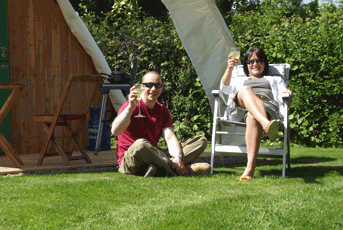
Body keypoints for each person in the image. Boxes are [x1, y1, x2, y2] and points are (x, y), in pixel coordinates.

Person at [111, 70, 210, 177]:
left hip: (154, 155)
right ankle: (185, 171)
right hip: (131, 159)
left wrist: (177, 157)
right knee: (140, 145)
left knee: (200, 141)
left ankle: (159, 168)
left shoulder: (162, 110)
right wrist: (130, 108)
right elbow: (115, 131)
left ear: (161, 88)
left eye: (157, 85)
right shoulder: (130, 106)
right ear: (141, 87)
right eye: (149, 85)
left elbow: (170, 138)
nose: (153, 89)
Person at [220, 47, 293, 181]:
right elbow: (224, 89)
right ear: (246, 65)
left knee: (253, 117)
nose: (255, 64)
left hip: (266, 107)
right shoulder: (239, 79)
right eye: (250, 61)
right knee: (246, 89)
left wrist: (288, 93)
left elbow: (284, 93)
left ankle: (249, 169)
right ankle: (266, 125)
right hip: (240, 109)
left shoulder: (275, 79)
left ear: (265, 63)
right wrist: (229, 68)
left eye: (259, 60)